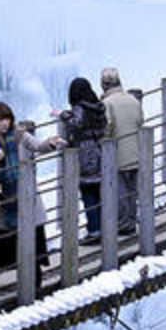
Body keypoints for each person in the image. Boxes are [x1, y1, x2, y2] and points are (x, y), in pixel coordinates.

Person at [0, 103, 50, 286]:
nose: (5, 124)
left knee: (29, 236)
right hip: (1, 197)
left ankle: (34, 281)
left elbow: (37, 145)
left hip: (23, 193)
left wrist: (51, 143)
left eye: (7, 119)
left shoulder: (19, 134)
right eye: (1, 120)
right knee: (1, 240)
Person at [55, 78, 108, 245]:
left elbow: (77, 124)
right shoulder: (98, 106)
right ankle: (103, 227)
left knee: (88, 192)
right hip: (101, 150)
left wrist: (62, 114)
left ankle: (94, 231)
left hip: (86, 153)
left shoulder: (80, 107)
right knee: (99, 192)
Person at [99, 68, 143, 233]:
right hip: (136, 149)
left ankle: (124, 224)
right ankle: (131, 220)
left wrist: (104, 141)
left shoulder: (107, 103)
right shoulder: (132, 99)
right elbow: (140, 120)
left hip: (118, 152)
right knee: (132, 189)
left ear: (103, 84)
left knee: (120, 190)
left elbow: (108, 126)